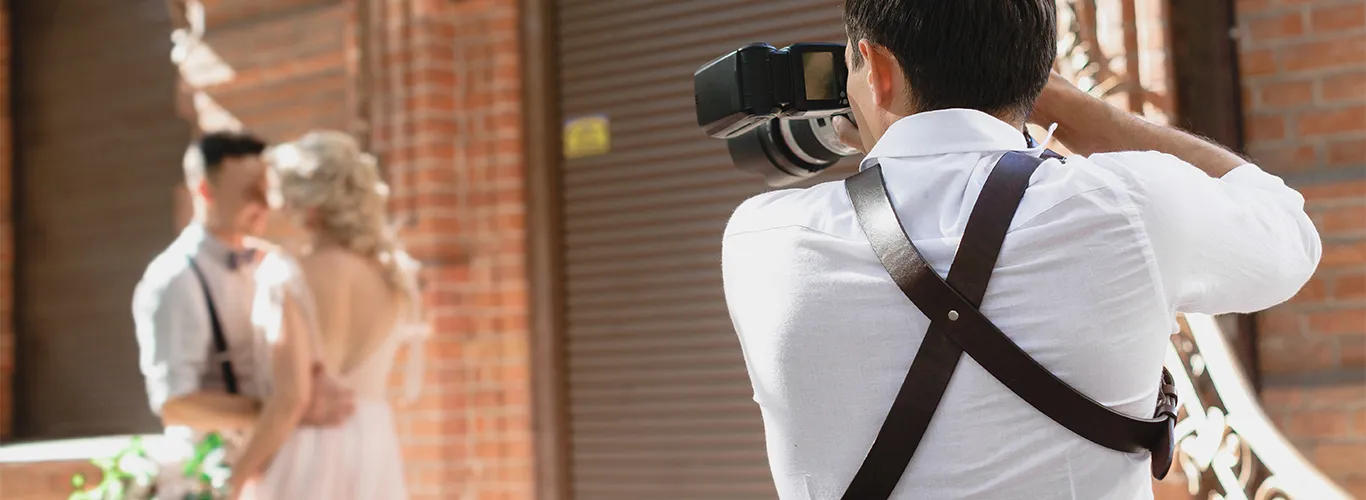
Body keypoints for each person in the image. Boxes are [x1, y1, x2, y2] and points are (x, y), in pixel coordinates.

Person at [720, 1, 1321, 499]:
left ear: (875, 69)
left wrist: (884, 135)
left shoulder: (763, 240)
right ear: (1035, 74)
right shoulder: (1131, 207)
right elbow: (1287, 234)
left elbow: (919, 198)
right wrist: (1076, 111)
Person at [132, 132, 358, 496]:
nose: (265, 201)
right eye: (249, 191)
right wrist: (282, 408)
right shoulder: (175, 279)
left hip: (276, 469)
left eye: (265, 188)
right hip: (210, 477)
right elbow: (176, 405)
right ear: (205, 191)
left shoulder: (275, 263)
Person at [226, 130, 427, 500]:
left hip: (309, 456)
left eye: (283, 198)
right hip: (374, 448)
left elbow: (291, 400)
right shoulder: (393, 279)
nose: (278, 209)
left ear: (311, 208)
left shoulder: (288, 275)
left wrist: (234, 478)